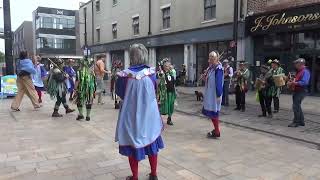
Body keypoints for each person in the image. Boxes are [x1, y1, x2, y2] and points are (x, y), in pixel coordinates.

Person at [115, 44, 164, 180]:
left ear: (131, 56)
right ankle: (153, 174)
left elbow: (119, 93)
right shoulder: (152, 74)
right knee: (151, 140)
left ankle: (135, 177)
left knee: (132, 142)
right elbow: (154, 89)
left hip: (131, 114)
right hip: (149, 115)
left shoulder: (124, 76)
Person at [202, 51, 224, 139]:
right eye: (210, 58)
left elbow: (218, 83)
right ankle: (216, 130)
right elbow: (209, 80)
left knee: (214, 112)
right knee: (212, 113)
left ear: (216, 59)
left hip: (214, 95)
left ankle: (217, 131)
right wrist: (204, 77)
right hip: (210, 94)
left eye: (213, 59)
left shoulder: (218, 69)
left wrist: (219, 95)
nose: (210, 60)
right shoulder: (211, 68)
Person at [287, 58, 310, 128]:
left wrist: (294, 83)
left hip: (301, 91)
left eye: (296, 64)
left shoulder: (305, 71)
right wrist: (290, 80)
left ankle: (296, 122)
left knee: (295, 106)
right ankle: (301, 122)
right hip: (297, 91)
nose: (295, 65)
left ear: (301, 64)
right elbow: (296, 79)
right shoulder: (299, 71)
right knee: (297, 106)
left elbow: (305, 82)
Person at [158, 59, 176, 126]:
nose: (167, 67)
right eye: (165, 66)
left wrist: (175, 91)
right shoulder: (161, 73)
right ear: (163, 66)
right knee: (163, 107)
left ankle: (169, 119)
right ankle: (158, 120)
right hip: (164, 94)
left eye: (168, 66)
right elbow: (160, 76)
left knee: (171, 106)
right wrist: (160, 70)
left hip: (171, 92)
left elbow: (173, 83)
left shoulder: (171, 73)